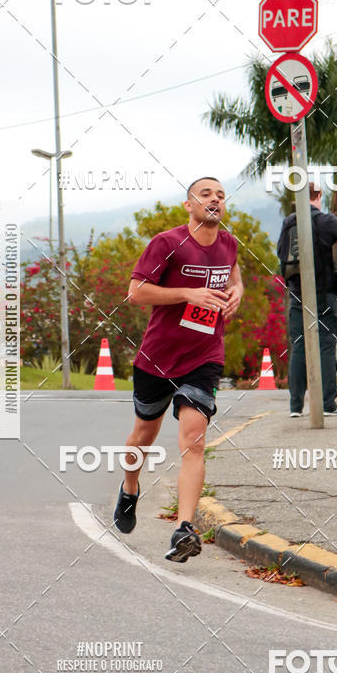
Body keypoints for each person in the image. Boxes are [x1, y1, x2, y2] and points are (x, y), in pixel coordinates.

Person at [114, 177, 243, 563]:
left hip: (205, 355)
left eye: (220, 195)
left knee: (194, 439)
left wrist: (238, 291)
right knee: (143, 433)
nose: (215, 200)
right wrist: (187, 293)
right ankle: (130, 488)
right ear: (189, 205)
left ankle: (183, 529)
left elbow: (233, 274)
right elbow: (136, 292)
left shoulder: (229, 243)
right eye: (206, 194)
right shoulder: (167, 244)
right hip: (158, 357)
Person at [277, 184, 337, 417]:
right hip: (324, 293)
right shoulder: (326, 221)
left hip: (297, 293)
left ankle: (296, 407)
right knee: (326, 347)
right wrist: (335, 239)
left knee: (299, 346)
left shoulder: (288, 223)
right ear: (320, 196)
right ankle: (328, 404)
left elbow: (280, 253)